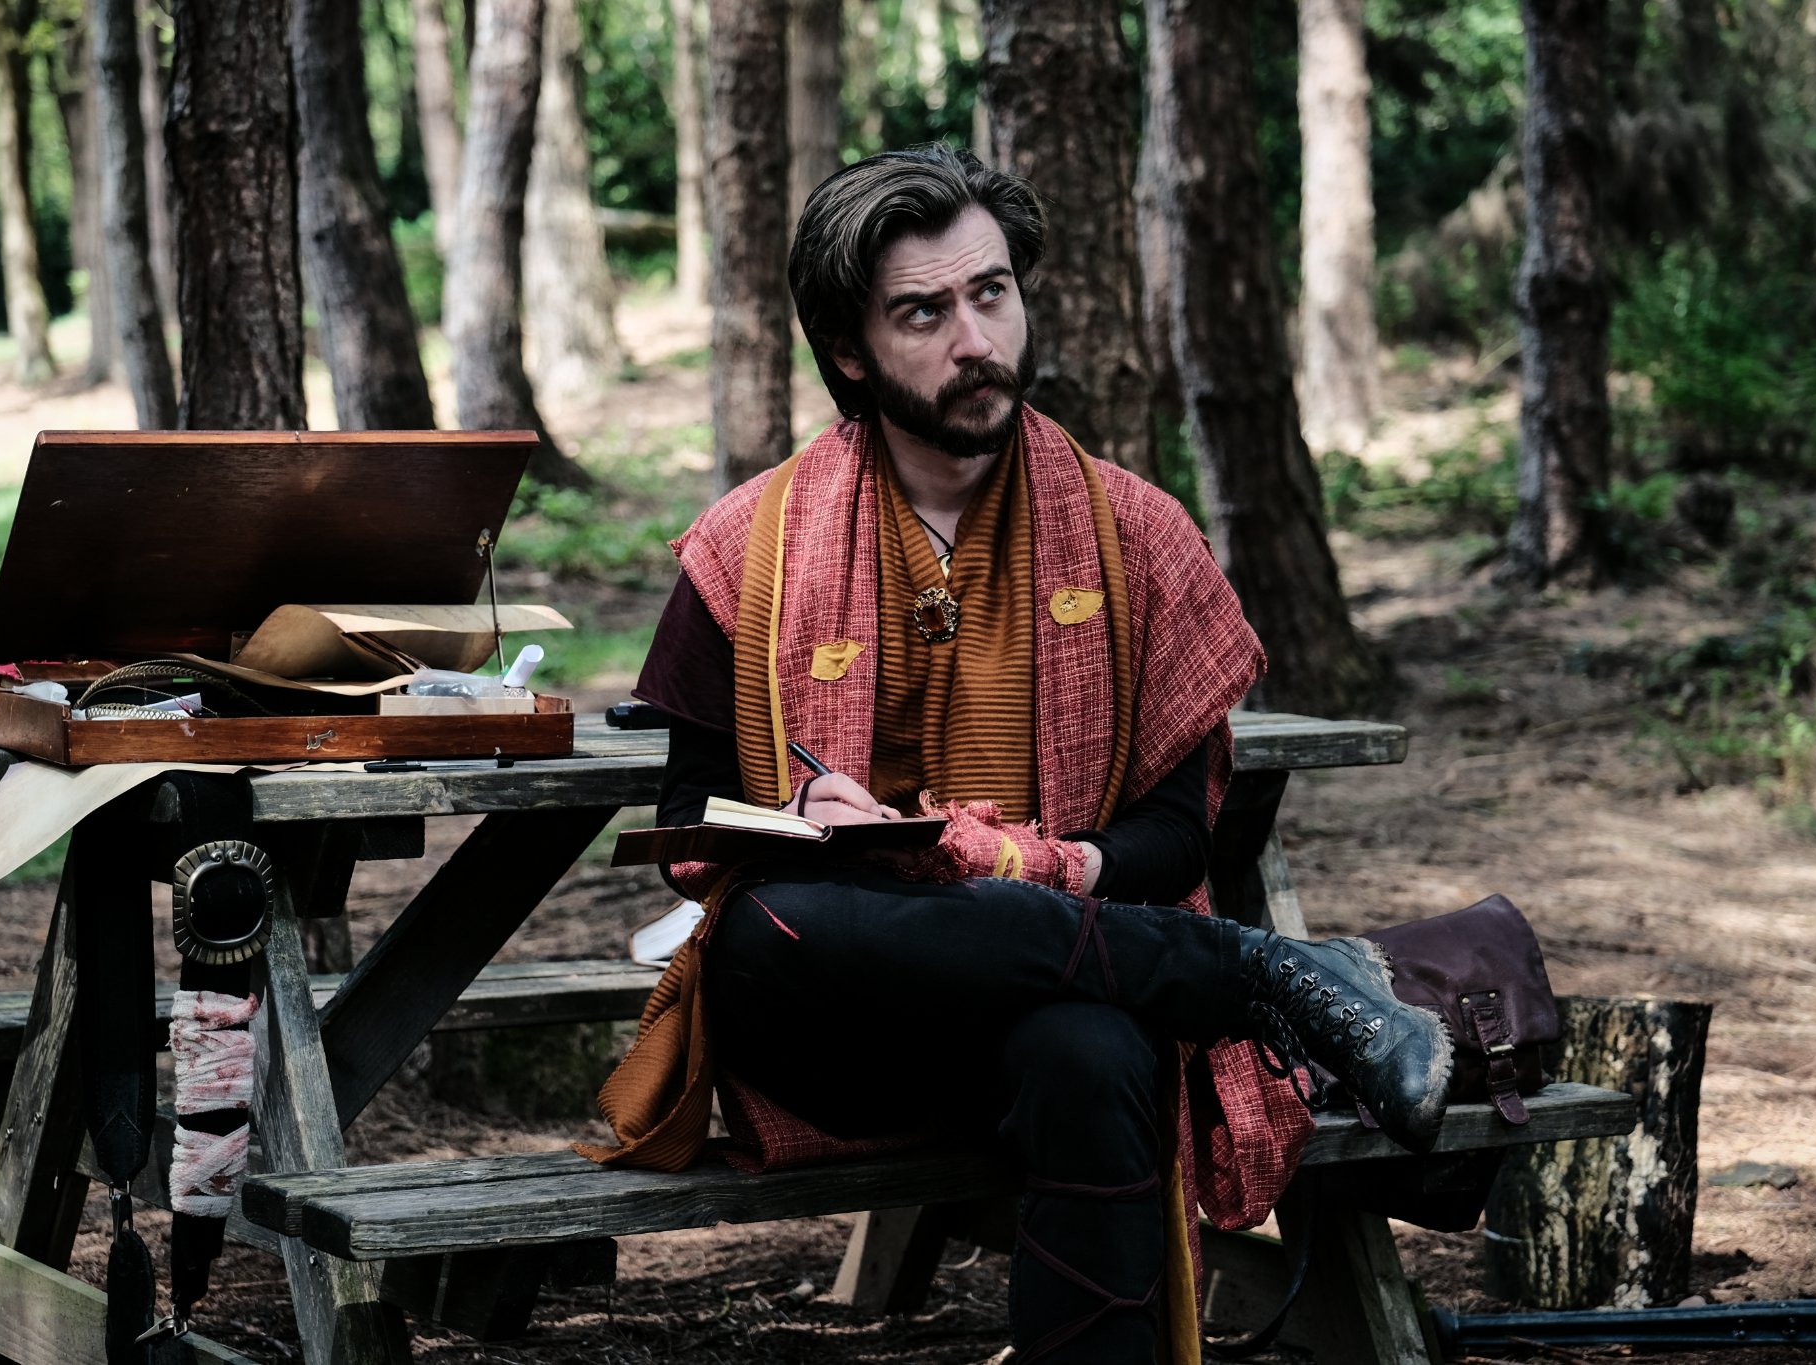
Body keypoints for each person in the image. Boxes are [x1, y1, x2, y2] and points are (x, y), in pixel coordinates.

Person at [576, 144, 1451, 1365]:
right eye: (921, 314)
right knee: (776, 923)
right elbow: (691, 825)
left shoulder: (1138, 536)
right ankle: (1247, 970)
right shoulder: (745, 546)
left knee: (1095, 1054)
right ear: (847, 350)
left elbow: (1174, 838)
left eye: (989, 293)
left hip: (1046, 1008)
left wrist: (1030, 865)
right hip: (836, 1021)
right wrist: (807, 827)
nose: (973, 340)